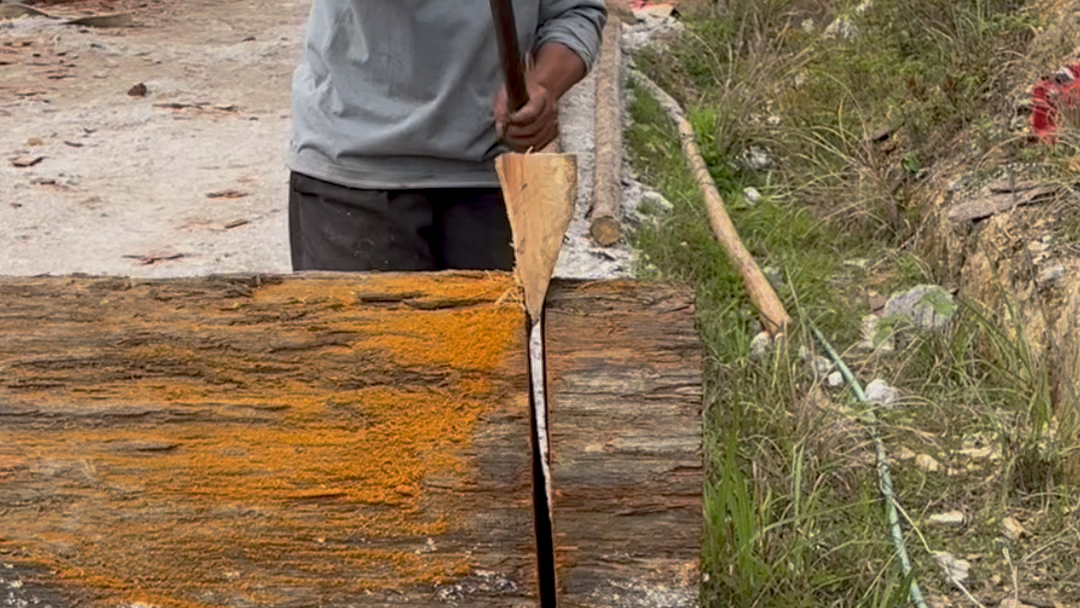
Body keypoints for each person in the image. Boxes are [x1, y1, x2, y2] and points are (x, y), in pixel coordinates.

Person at [288, 1, 607, 272]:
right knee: (366, 345)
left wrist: (543, 86)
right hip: (355, 176)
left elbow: (575, 12)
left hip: (492, 180)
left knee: (488, 345)